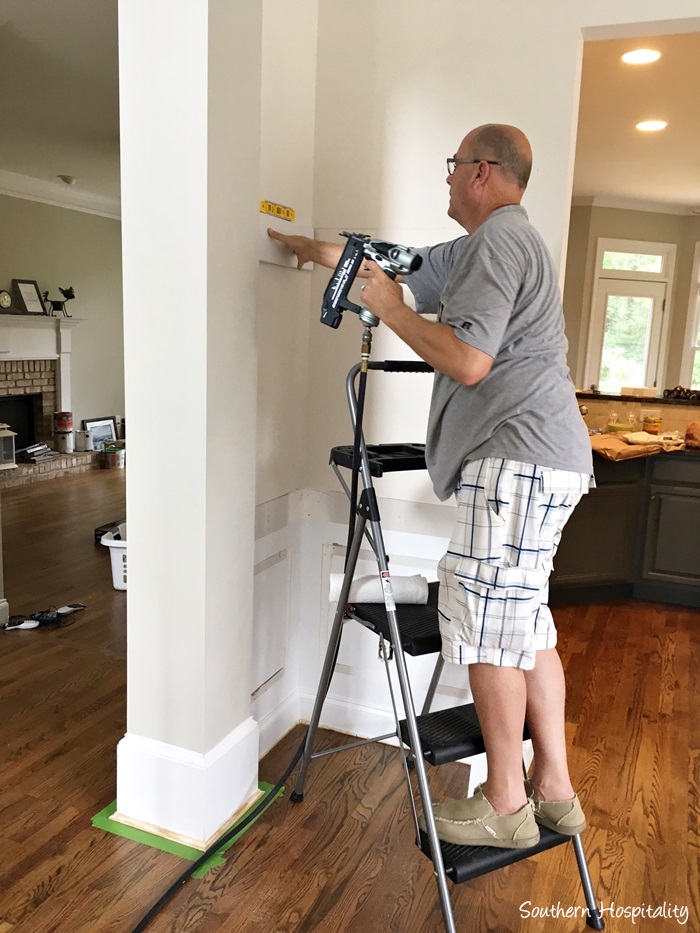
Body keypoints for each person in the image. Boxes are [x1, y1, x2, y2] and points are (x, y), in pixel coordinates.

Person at [268, 123, 593, 850]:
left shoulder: (499, 242)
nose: (446, 179)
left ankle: (505, 801)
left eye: (452, 168)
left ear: (482, 171)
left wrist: (389, 310)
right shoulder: (487, 247)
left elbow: (470, 360)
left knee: (486, 632)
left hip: (516, 461)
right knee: (527, 624)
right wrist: (307, 250)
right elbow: (396, 263)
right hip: (545, 461)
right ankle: (555, 789)